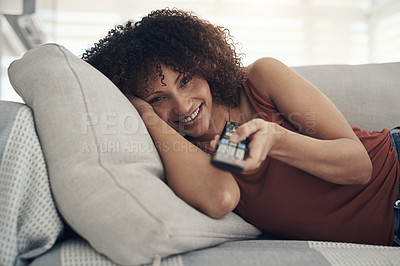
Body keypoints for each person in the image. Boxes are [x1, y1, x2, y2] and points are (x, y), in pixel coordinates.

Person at [82, 8, 400, 246]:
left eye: (186, 80)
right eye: (158, 97)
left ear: (204, 67)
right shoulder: (180, 148)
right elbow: (220, 198)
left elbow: (359, 167)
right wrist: (145, 114)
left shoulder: (260, 80)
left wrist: (275, 139)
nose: (182, 106)